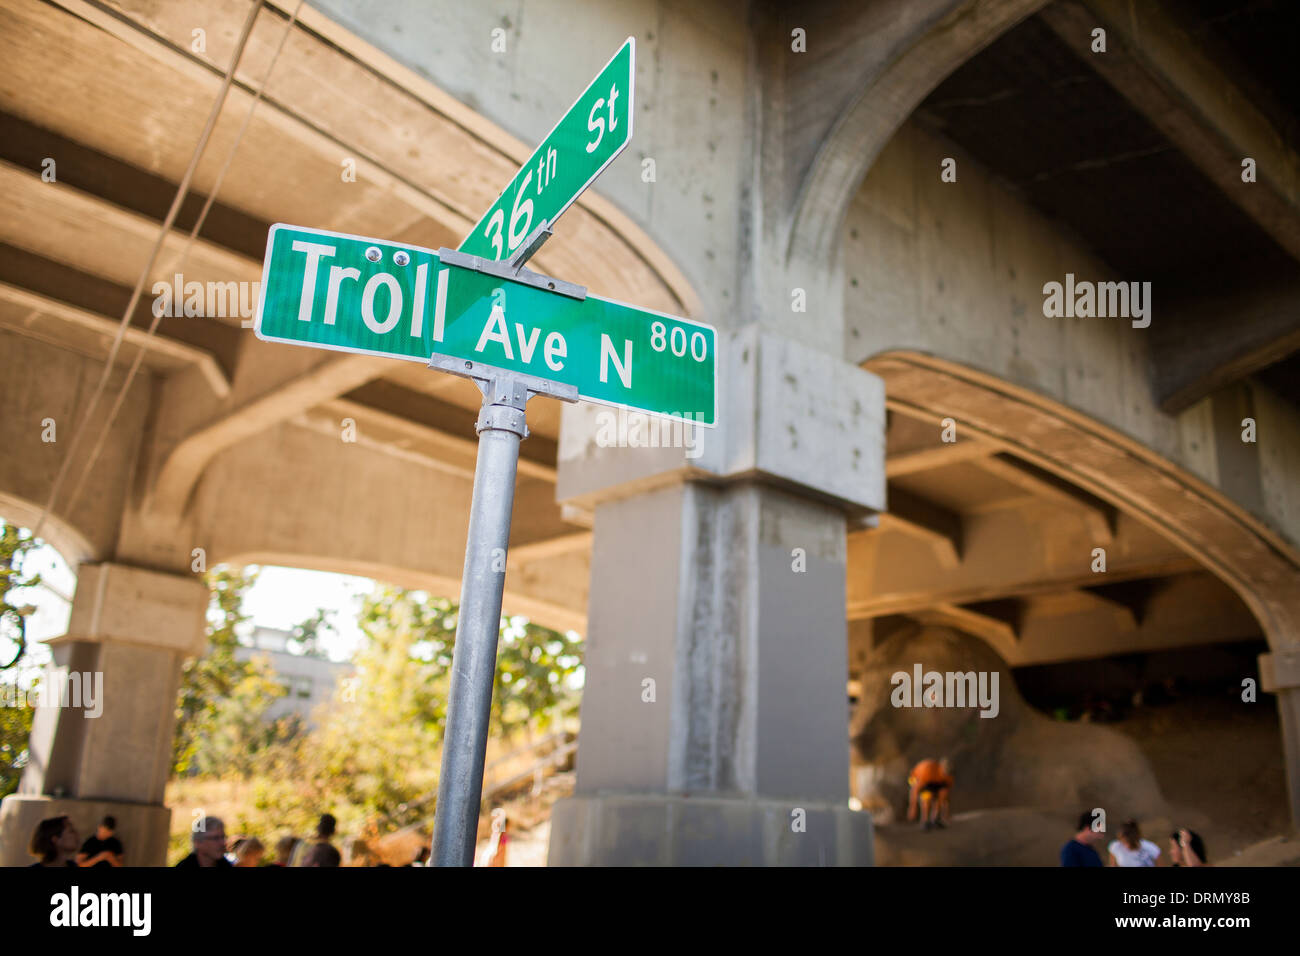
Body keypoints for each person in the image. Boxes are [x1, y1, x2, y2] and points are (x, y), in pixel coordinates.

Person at [906, 757, 954, 829]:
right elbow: (915, 790)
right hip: (916, 778)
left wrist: (946, 813)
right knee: (927, 797)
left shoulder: (948, 777)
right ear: (941, 767)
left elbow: (946, 797)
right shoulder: (928, 771)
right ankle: (925, 820)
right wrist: (913, 807)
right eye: (944, 771)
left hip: (933, 782)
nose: (946, 774)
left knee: (943, 793)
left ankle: (935, 818)